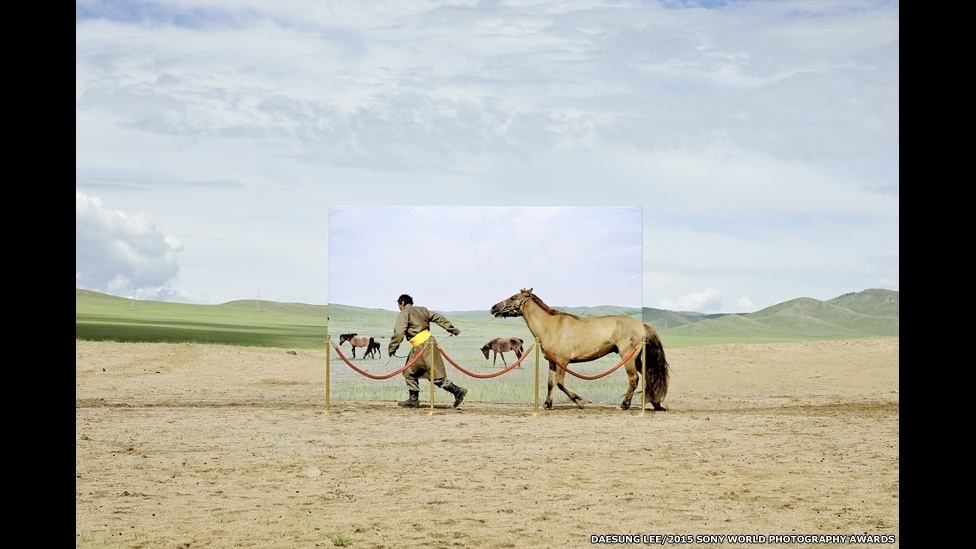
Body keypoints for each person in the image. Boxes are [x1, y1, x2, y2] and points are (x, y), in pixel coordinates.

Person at [388, 294, 468, 409]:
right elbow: (438, 317)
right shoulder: (423, 310)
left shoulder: (404, 313)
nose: (399, 308)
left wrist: (392, 348)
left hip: (422, 346)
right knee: (410, 371)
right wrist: (452, 329)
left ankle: (457, 391)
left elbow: (399, 332)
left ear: (402, 303)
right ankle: (413, 400)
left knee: (433, 375)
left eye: (399, 305)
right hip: (428, 342)